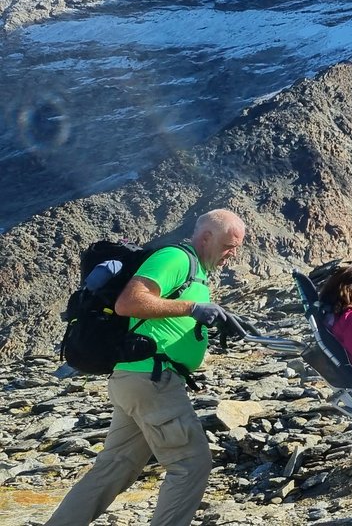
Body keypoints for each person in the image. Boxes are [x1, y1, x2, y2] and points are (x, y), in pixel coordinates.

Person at [48, 209, 247, 526]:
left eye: (237, 248)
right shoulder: (177, 259)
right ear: (207, 237)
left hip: (138, 379)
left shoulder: (196, 273)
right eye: (229, 245)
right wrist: (193, 307)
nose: (232, 254)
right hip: (152, 378)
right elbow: (128, 303)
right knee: (191, 463)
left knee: (115, 466)